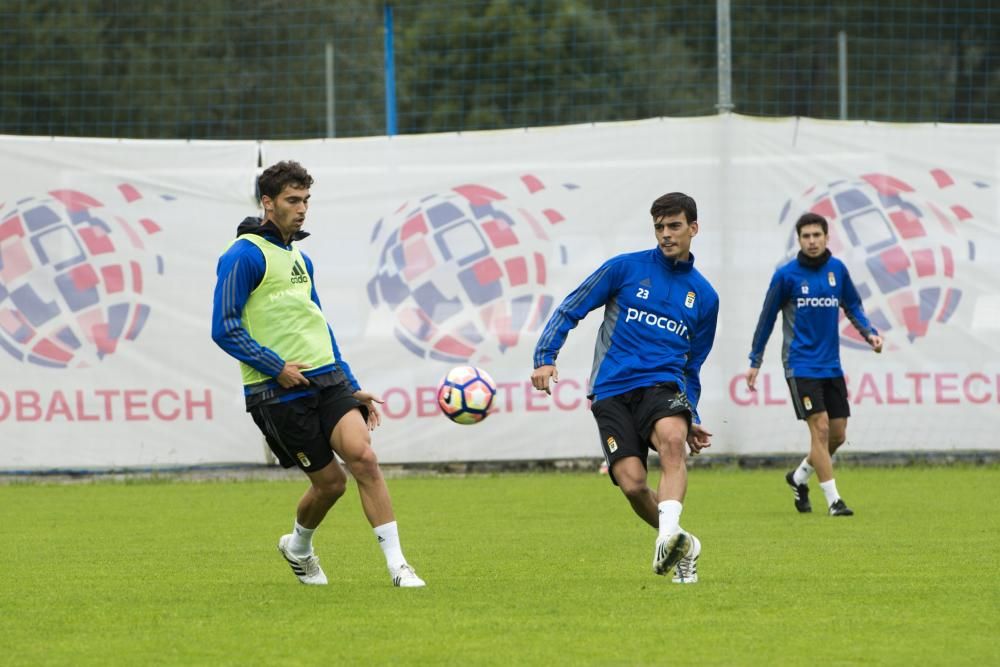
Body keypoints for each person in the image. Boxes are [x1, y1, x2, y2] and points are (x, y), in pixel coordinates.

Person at [211, 160, 425, 587]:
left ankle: (399, 566)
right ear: (267, 203)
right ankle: (298, 547)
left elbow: (318, 325)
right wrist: (277, 368)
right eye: (292, 200)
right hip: (276, 392)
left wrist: (350, 384)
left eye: (306, 199)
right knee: (331, 485)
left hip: (327, 379)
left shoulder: (300, 258)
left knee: (363, 457)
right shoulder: (243, 255)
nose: (302, 208)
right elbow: (225, 328)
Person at [531, 192, 719, 584]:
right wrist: (545, 356)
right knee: (634, 484)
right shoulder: (624, 268)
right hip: (612, 389)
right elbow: (571, 307)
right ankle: (682, 543)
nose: (666, 234)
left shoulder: (705, 296)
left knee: (671, 439)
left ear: (694, 228)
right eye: (659, 227)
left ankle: (670, 536)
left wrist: (692, 414)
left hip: (662, 385)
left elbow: (693, 365)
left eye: (674, 226)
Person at [746, 212, 883, 517]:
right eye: (805, 236)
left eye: (816, 235)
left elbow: (853, 306)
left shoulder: (837, 271)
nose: (811, 241)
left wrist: (870, 334)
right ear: (799, 239)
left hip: (831, 366)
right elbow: (766, 319)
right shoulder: (786, 276)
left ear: (826, 237)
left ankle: (799, 477)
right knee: (819, 429)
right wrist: (755, 360)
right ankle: (834, 501)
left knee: (837, 435)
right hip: (800, 365)